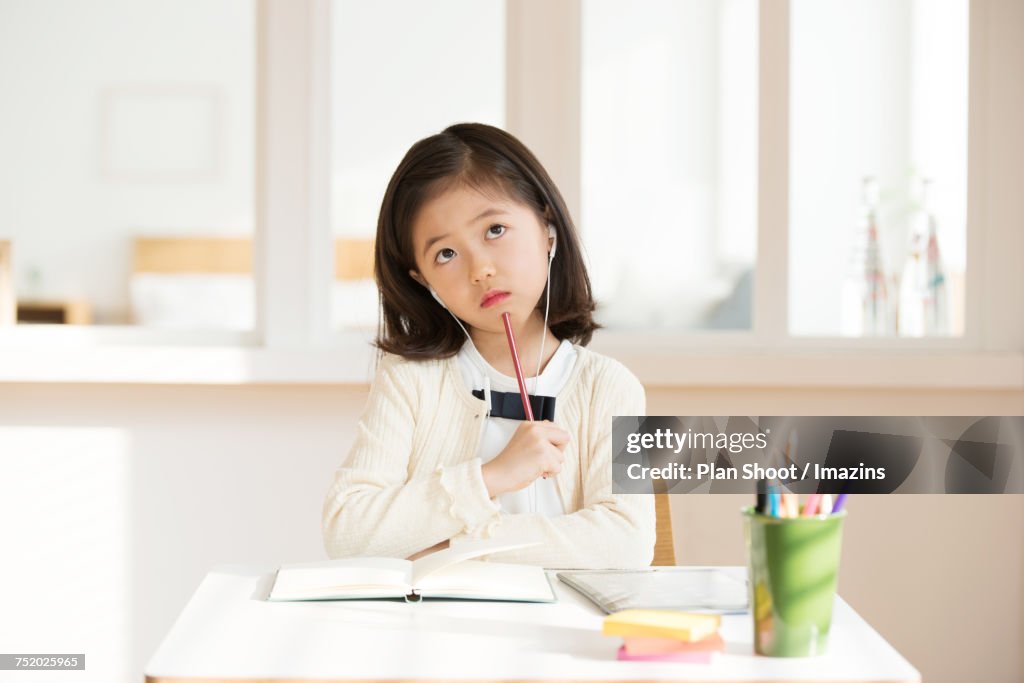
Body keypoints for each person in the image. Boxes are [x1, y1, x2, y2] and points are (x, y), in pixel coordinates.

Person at [322, 123, 654, 568]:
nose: (480, 269)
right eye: (446, 254)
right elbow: (347, 532)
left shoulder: (610, 387)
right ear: (422, 281)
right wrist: (491, 476)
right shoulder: (409, 381)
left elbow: (627, 544)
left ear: (546, 229)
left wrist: (457, 545)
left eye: (495, 230)